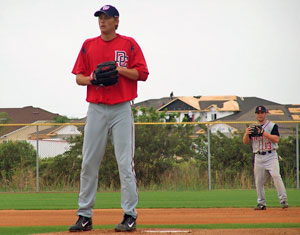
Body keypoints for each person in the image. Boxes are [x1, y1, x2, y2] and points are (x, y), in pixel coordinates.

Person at [69, 5, 149, 232]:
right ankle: (84, 216)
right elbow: (79, 78)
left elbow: (142, 74)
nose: (102, 21)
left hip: (122, 108)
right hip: (96, 108)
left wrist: (119, 69)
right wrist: (93, 78)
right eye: (99, 18)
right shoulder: (88, 45)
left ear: (117, 21)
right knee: (88, 163)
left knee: (125, 163)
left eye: (106, 18)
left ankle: (129, 215)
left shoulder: (129, 44)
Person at [243, 105, 288, 210]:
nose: (260, 115)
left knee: (276, 176)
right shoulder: (252, 127)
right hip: (258, 156)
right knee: (258, 181)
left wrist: (264, 133)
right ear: (255, 114)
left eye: (262, 113)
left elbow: (276, 139)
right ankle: (261, 203)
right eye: (258, 113)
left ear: (265, 114)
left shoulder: (272, 126)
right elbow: (245, 142)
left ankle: (283, 200)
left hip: (271, 155)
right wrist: (246, 134)